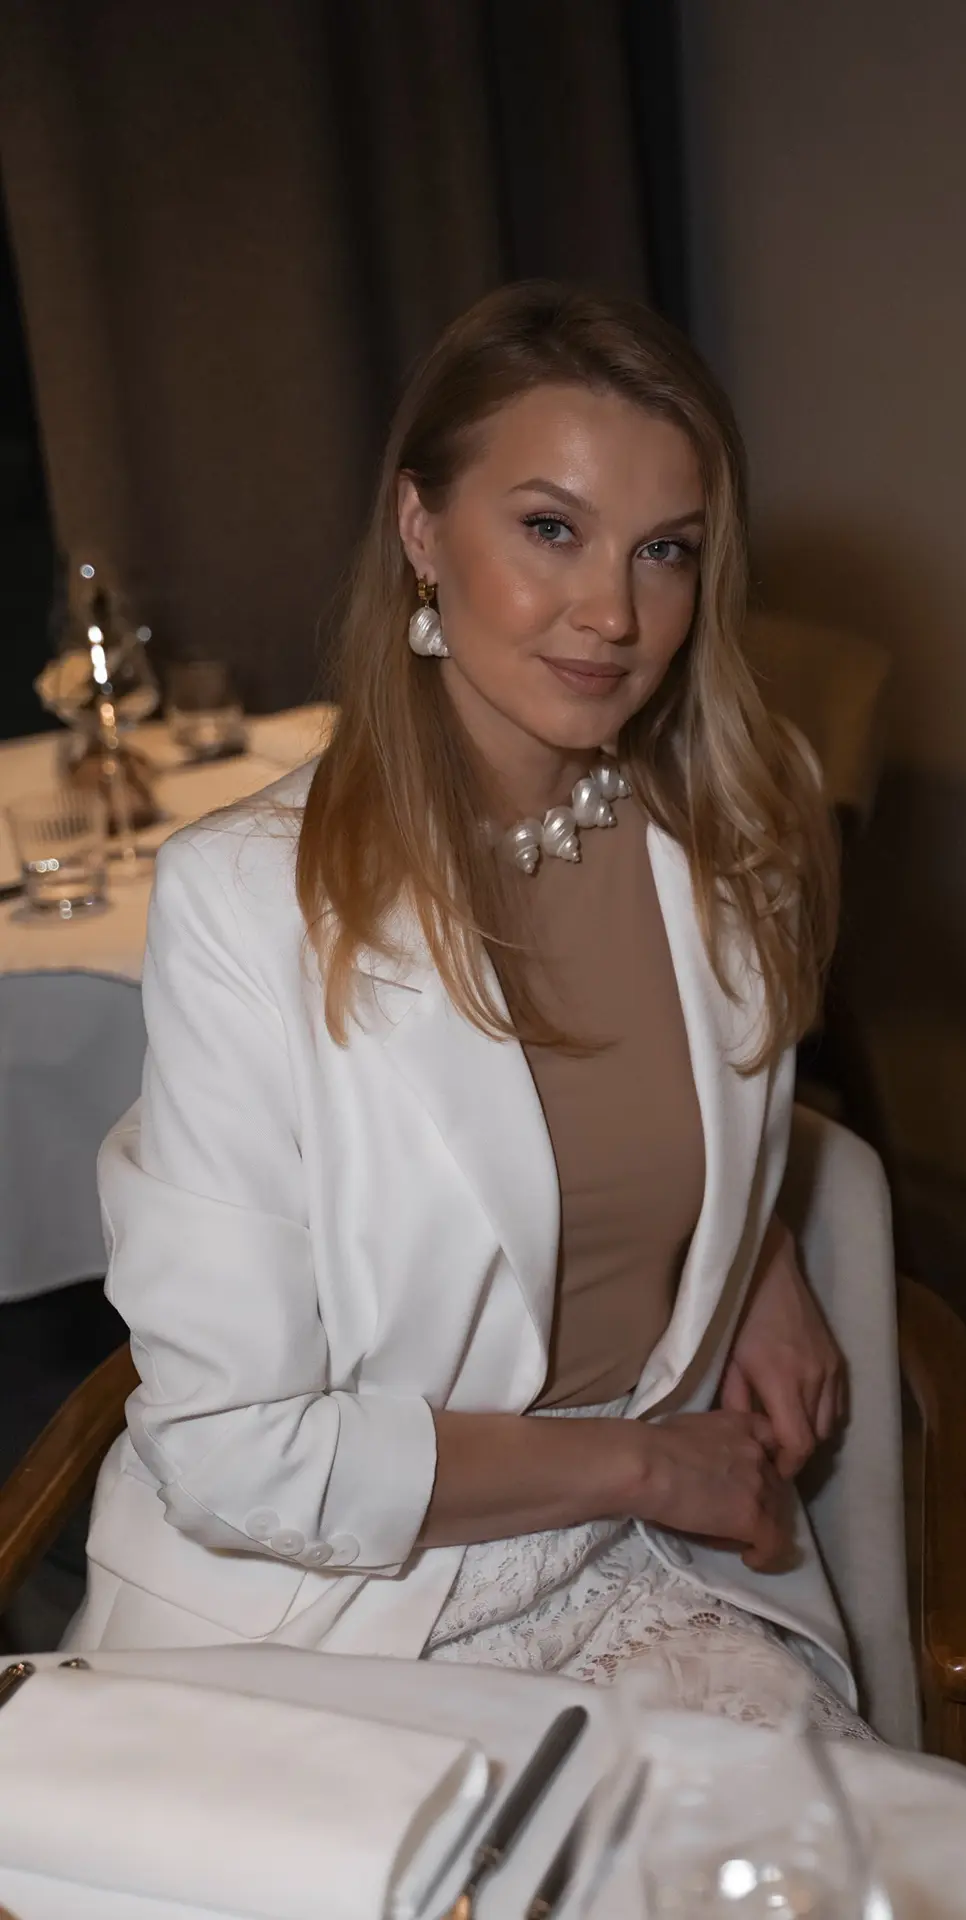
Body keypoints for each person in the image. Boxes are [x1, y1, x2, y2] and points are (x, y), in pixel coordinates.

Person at [67, 282, 871, 1736]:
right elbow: (232, 1453)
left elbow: (645, 1122)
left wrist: (756, 1256)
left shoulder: (737, 835)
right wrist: (647, 1464)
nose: (614, 614)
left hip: (652, 1578)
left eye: (666, 550)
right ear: (422, 529)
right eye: (551, 528)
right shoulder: (245, 898)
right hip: (329, 1612)